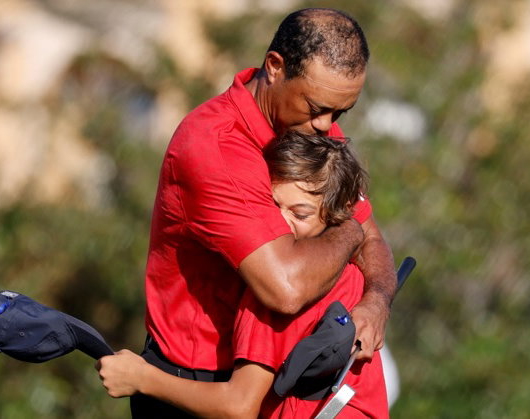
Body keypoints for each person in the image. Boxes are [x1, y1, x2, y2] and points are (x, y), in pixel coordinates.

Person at [116, 7, 397, 417]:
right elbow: (286, 289)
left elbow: (375, 239)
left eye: (340, 113)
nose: (327, 127)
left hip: (272, 385)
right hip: (193, 387)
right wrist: (353, 231)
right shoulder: (213, 146)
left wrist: (377, 301)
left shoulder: (311, 130)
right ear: (275, 67)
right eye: (317, 107)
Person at [98, 131, 388, 417]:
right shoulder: (355, 275)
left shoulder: (274, 295)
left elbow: (239, 407)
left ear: (338, 213)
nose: (281, 222)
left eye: (300, 214)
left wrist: (142, 378)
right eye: (273, 206)